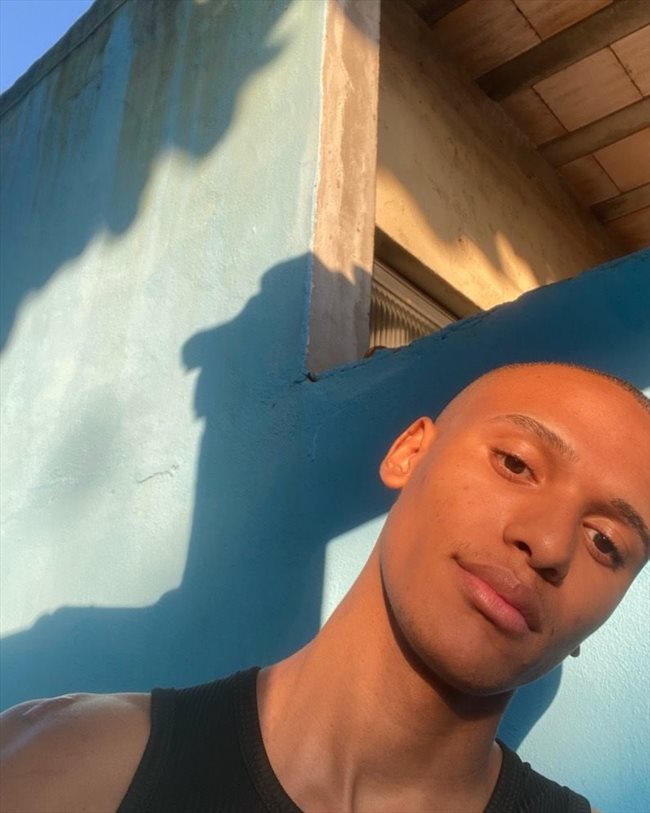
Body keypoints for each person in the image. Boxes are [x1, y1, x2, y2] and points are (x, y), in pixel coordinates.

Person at [1, 362, 648, 813]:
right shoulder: (66, 763)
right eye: (515, 463)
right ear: (409, 454)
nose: (550, 544)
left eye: (606, 543)